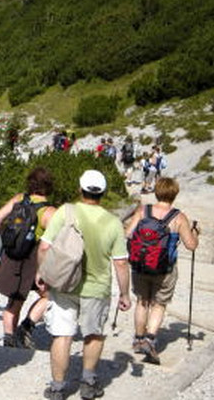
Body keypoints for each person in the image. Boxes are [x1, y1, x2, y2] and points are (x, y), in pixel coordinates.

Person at [38, 170, 131, 400]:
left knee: (62, 335)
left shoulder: (65, 211)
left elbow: (44, 247)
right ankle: (88, 383)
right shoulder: (113, 223)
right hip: (96, 288)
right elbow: (120, 263)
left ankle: (58, 388)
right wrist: (125, 294)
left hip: (64, 283)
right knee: (93, 334)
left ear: (80, 189)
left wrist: (43, 272)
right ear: (103, 193)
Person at [124, 177, 199, 361]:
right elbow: (191, 245)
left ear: (156, 192)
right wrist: (195, 233)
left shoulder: (143, 210)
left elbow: (128, 233)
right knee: (159, 304)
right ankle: (150, 339)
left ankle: (138, 340)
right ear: (174, 194)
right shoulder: (178, 217)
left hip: (140, 264)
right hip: (165, 268)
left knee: (142, 301)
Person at [0, 167, 57, 349]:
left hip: (12, 256)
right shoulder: (50, 211)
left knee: (14, 299)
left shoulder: (19, 199)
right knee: (51, 295)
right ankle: (26, 326)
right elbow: (55, 243)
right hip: (35, 259)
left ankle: (9, 339)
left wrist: (5, 240)